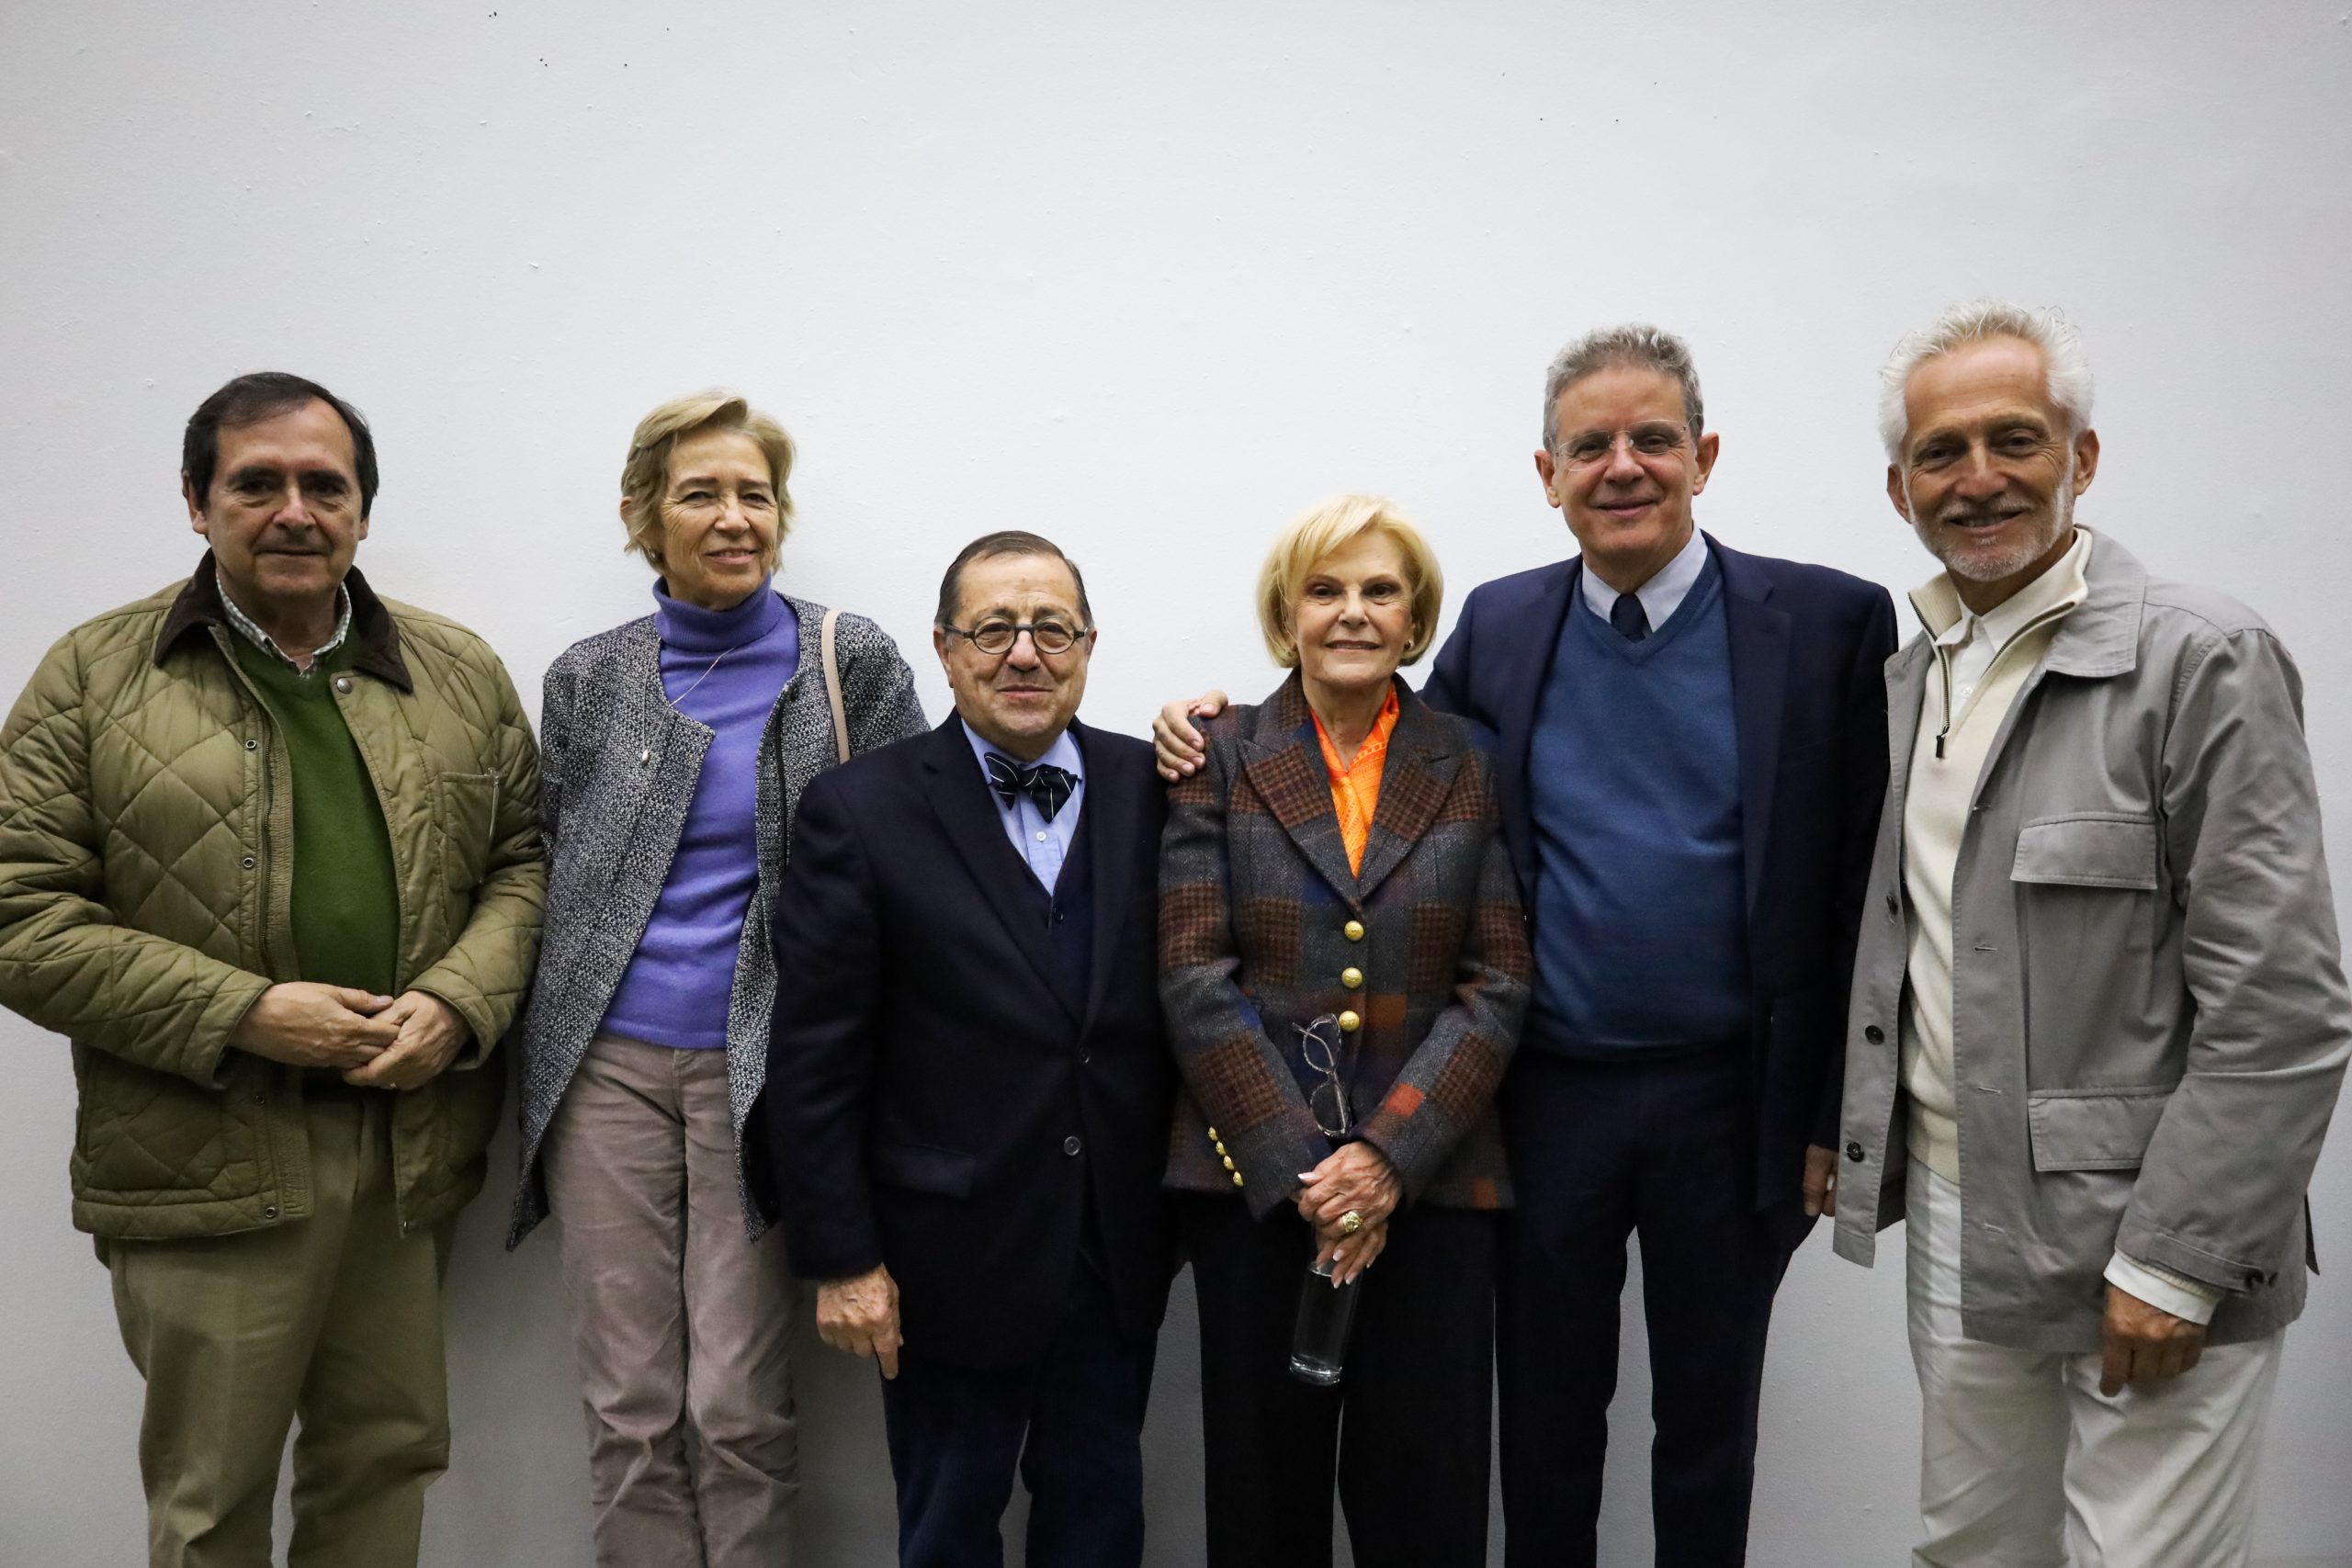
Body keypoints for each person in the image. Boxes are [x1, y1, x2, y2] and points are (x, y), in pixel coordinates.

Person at [1158, 326, 1896, 1566]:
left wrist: (1838, 1110)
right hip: (1549, 1096)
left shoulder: (1825, 621)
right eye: (1589, 445)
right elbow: (1361, 761)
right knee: (1547, 1414)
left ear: (1703, 455)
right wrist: (1199, 715)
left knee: (1709, 1415)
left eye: (1652, 439)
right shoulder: (1503, 628)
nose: (1623, 466)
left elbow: (1864, 895)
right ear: (1546, 473)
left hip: (1737, 1100)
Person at [1827, 300, 2350, 1567]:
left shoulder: (2199, 656)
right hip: (1960, 1213)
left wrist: (2178, 1261)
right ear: (1899, 486)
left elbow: (2284, 1006)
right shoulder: (1915, 674)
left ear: (2084, 457)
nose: (1979, 478)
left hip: (2149, 1229)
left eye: (2016, 438)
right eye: (1942, 453)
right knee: (1973, 1547)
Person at [0, 372, 544, 1568]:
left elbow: (526, 864)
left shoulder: (454, 670)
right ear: (198, 503)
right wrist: (243, 1009)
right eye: (257, 483)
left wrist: (460, 1002)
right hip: (207, 1153)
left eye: (324, 485)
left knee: (386, 1455)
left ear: (362, 510)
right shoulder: (96, 674)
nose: (294, 509)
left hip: (406, 1150)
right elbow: (18, 913)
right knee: (214, 1496)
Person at [505, 391, 925, 1563]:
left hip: (768, 1070)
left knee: (735, 1401)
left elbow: (918, 852)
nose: (734, 518)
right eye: (702, 494)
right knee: (629, 1401)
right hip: (606, 1065)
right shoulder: (587, 678)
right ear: (645, 518)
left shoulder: (852, 659)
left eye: (755, 494)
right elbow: (546, 857)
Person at [764, 532, 1176, 1568]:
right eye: (994, 629)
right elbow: (814, 1056)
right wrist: (843, 1258)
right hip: (941, 1256)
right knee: (947, 1530)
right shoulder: (858, 812)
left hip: (1113, 1246)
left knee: (1100, 1523)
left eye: (1051, 628)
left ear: (1089, 645)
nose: (1024, 653)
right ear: (945, 650)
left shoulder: (1159, 788)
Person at [1159, 495, 1530, 1567]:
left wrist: (1385, 1159)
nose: (1353, 613)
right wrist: (1306, 1171)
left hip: (1436, 1188)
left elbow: (1497, 979)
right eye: (1325, 591)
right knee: (1262, 1504)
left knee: (1427, 1503)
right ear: (1286, 616)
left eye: (1380, 591)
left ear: (1415, 620)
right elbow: (1192, 975)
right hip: (1256, 1195)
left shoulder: (1468, 760)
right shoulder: (1214, 755)